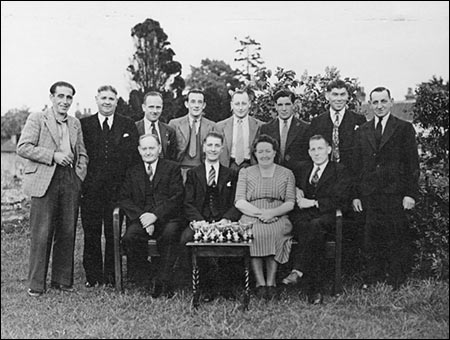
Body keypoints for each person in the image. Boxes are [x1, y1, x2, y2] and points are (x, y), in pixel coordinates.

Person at [17, 81, 88, 297]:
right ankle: (36, 284)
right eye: (61, 96)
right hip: (45, 178)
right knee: (42, 232)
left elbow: (82, 152)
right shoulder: (37, 118)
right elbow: (23, 147)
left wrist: (79, 175)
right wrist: (53, 156)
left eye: (69, 98)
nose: (65, 101)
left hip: (69, 180)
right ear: (52, 97)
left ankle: (62, 280)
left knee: (67, 230)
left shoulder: (75, 123)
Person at [352, 87, 419, 290]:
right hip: (369, 193)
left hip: (395, 193)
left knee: (395, 236)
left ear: (391, 102)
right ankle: (372, 276)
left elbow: (412, 164)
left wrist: (410, 194)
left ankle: (396, 278)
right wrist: (356, 195)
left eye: (383, 101)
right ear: (370, 104)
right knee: (371, 237)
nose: (379, 106)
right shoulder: (363, 130)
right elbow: (356, 166)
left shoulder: (403, 128)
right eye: (375, 102)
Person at [80, 85, 139, 287]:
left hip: (117, 191)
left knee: (113, 233)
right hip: (91, 191)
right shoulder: (84, 125)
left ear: (116, 101)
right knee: (91, 232)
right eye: (103, 98)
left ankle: (112, 275)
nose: (107, 102)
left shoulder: (127, 125)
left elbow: (132, 158)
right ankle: (93, 276)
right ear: (96, 99)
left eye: (111, 98)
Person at [283, 135, 351, 304]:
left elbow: (342, 199)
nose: (316, 153)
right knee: (308, 229)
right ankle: (312, 287)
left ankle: (302, 275)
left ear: (329, 150)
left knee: (315, 227)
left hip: (327, 217)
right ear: (308, 152)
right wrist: (296, 189)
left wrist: (314, 202)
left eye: (320, 148)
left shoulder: (339, 170)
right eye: (313, 149)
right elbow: (288, 180)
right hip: (304, 219)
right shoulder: (302, 169)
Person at [118, 134, 184, 298]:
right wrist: (144, 218)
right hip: (141, 218)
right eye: (145, 149)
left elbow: (177, 196)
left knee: (170, 234)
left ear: (159, 149)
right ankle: (152, 274)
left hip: (168, 217)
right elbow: (124, 198)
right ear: (139, 150)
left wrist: (155, 216)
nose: (148, 152)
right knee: (129, 238)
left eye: (152, 148)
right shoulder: (132, 171)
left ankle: (163, 281)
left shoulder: (172, 168)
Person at [179, 131, 241, 301]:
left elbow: (236, 202)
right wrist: (199, 222)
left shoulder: (231, 174)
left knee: (233, 240)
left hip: (222, 220)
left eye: (217, 146)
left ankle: (227, 286)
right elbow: (188, 202)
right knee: (186, 238)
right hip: (201, 221)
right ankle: (204, 286)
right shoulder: (193, 174)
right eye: (210, 145)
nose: (213, 149)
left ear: (222, 149)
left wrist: (226, 220)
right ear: (204, 148)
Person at [235, 134, 296, 300]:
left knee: (275, 232)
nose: (264, 155)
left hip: (278, 214)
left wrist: (272, 213)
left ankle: (271, 282)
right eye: (260, 151)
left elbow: (290, 202)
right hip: (251, 213)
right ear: (255, 153)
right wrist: (261, 214)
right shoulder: (245, 172)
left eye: (268, 151)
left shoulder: (287, 173)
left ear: (275, 152)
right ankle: (260, 283)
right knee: (254, 232)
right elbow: (239, 201)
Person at [308, 79, 366, 172]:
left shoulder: (359, 120)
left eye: (342, 94)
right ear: (327, 96)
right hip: (327, 176)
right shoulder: (317, 122)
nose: (339, 99)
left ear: (348, 96)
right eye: (335, 94)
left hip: (352, 176)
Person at [168, 89, 216, 182]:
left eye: (200, 102)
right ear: (186, 104)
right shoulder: (174, 124)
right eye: (193, 102)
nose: (196, 105)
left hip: (202, 171)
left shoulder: (212, 126)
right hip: (180, 171)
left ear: (204, 105)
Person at [257, 89, 309, 171]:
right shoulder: (266, 128)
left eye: (287, 104)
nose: (284, 109)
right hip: (272, 175)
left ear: (293, 105)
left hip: (298, 176)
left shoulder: (305, 128)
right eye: (280, 105)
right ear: (276, 106)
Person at [216, 89, 264, 171]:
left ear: (249, 104)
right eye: (237, 104)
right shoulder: (220, 127)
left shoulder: (260, 126)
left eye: (244, 104)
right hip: (228, 167)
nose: (240, 108)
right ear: (232, 105)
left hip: (251, 167)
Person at [135, 91, 177, 160]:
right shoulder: (134, 128)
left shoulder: (169, 131)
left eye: (158, 107)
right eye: (151, 107)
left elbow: (172, 157)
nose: (155, 111)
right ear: (143, 107)